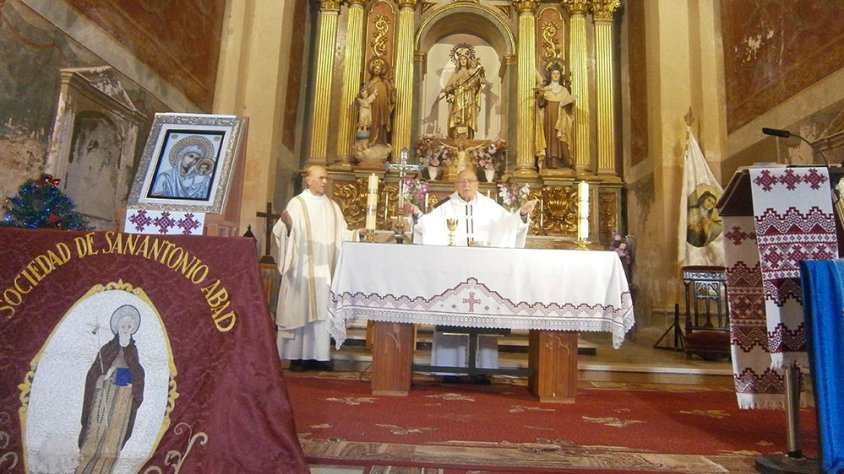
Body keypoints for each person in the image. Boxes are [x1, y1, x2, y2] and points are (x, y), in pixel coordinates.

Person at [404, 169, 538, 382]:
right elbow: (425, 226)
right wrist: (416, 215)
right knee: (450, 314)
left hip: (483, 273)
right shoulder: (443, 207)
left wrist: (521, 214)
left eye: (470, 181)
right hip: (453, 272)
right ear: (456, 184)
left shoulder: (490, 207)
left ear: (478, 183)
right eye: (462, 181)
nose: (466, 185)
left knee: (483, 317)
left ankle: (483, 369)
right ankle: (447, 369)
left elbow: (509, 226)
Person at [273, 165, 364, 372]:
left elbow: (342, 235)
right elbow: (283, 230)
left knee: (322, 311)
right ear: (309, 180)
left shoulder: (333, 207)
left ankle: (319, 356)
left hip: (324, 271)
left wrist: (356, 233)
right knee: (300, 308)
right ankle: (296, 357)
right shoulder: (297, 204)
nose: (325, 181)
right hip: (301, 270)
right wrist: (287, 226)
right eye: (321, 178)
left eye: (326, 178)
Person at [77, 305, 145, 474]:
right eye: (123, 327)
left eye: (129, 327)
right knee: (96, 434)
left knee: (113, 439)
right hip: (105, 395)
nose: (126, 330)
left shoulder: (133, 350)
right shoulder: (108, 348)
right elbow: (94, 372)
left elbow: (138, 373)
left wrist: (133, 384)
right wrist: (103, 376)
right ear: (117, 328)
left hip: (123, 400)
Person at [535, 64, 575, 169]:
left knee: (561, 139)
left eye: (557, 73)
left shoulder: (564, 90)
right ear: (550, 75)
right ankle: (550, 161)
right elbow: (540, 104)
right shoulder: (546, 89)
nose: (556, 75)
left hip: (561, 118)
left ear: (560, 75)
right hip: (549, 118)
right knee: (550, 138)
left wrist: (569, 103)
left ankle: (563, 161)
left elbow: (569, 108)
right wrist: (541, 95)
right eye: (553, 73)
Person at [442, 49, 485, 139]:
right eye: (461, 59)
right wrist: (453, 86)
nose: (463, 61)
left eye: (464, 59)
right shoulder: (455, 74)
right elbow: (447, 88)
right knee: (458, 116)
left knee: (468, 116)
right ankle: (457, 134)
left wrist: (479, 76)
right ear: (458, 61)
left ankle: (468, 134)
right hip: (458, 97)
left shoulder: (471, 72)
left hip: (469, 97)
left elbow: (478, 84)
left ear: (468, 60)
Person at [360, 58, 396, 148]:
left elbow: (391, 93)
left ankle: (379, 141)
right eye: (375, 69)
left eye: (379, 69)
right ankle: (369, 141)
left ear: (381, 71)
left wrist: (392, 88)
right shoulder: (368, 82)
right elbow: (363, 92)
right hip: (370, 107)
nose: (377, 70)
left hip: (381, 108)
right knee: (370, 123)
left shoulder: (384, 82)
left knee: (380, 123)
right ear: (372, 69)